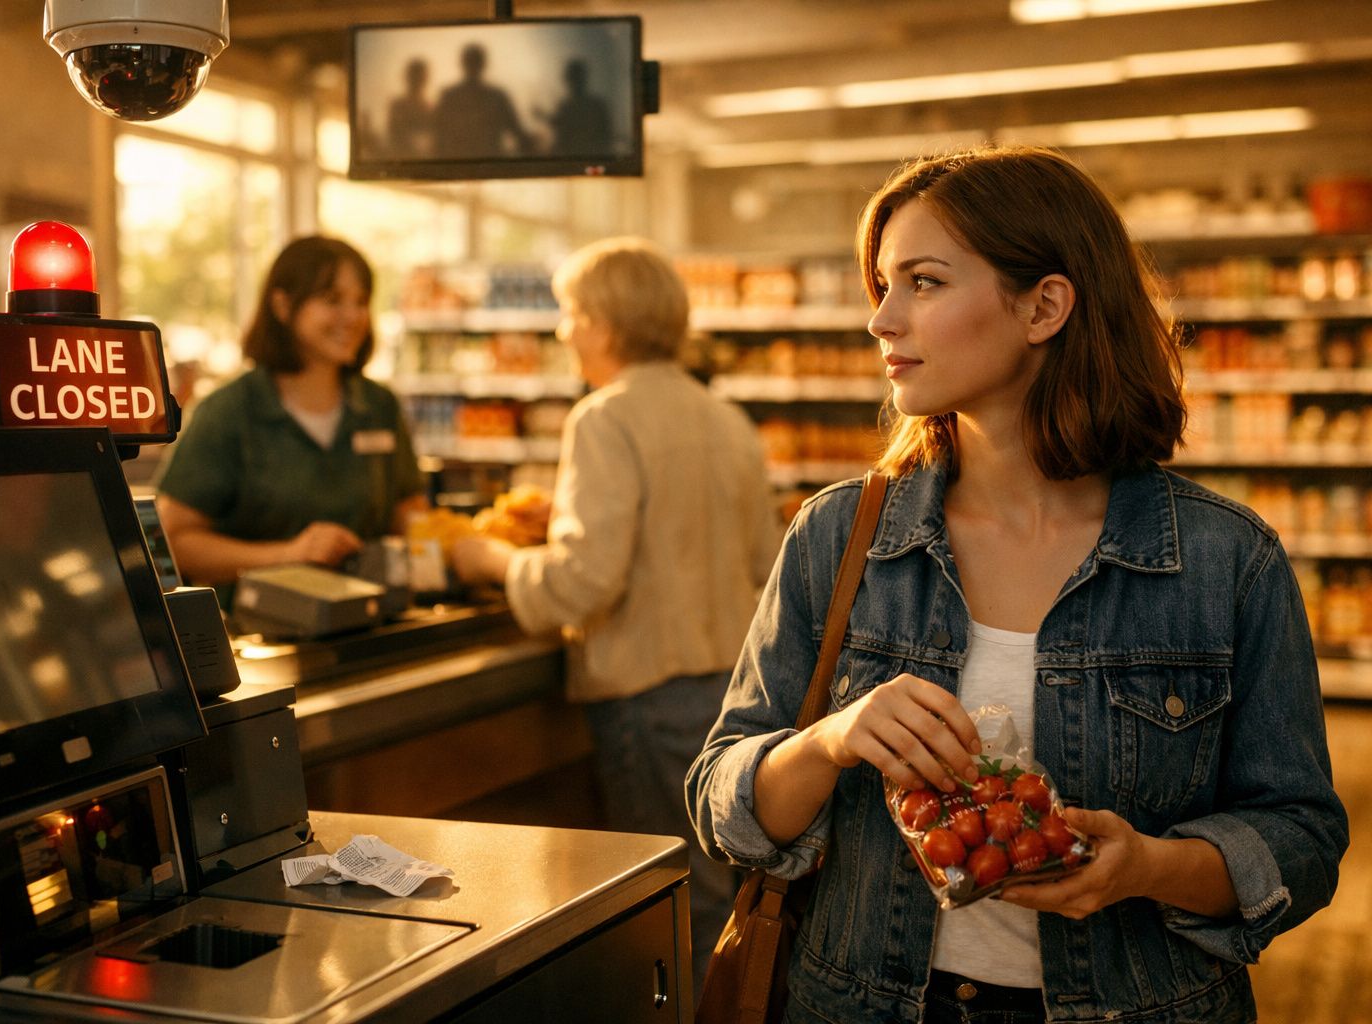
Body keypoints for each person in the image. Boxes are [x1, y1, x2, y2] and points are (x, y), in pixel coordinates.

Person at [686, 144, 1348, 1023]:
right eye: (880, 285)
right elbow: (720, 800)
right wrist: (830, 740)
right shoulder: (839, 537)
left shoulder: (1227, 562)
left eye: (922, 282)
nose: (881, 320)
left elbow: (1300, 838)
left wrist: (1147, 867)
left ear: (1044, 306)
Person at [449, 237, 783, 998]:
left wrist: (491, 561)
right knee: (727, 904)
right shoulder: (726, 419)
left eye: (571, 314)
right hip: (733, 697)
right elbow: (767, 567)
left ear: (602, 322)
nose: (564, 332)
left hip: (647, 700)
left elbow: (582, 583)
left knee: (670, 907)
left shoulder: (604, 418)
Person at [154, 236, 425, 605]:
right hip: (256, 639)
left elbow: (410, 516)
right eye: (333, 300)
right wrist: (288, 555)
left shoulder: (380, 406)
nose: (354, 317)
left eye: (361, 301)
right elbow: (172, 540)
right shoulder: (228, 412)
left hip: (373, 626)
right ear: (282, 305)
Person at [431, 43, 535, 158]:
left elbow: (437, 137)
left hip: (463, 165)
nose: (473, 66)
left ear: (462, 64)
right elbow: (518, 134)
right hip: (488, 165)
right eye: (472, 62)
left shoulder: (449, 96)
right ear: (484, 64)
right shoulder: (497, 97)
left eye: (473, 62)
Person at [536, 58, 613, 156]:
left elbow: (606, 136)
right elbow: (559, 124)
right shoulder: (569, 105)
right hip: (573, 158)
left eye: (572, 78)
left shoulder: (595, 105)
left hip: (586, 157)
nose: (570, 83)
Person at [385, 58, 434, 159]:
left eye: (421, 78)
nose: (419, 82)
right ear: (409, 78)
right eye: (416, 78)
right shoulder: (398, 106)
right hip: (402, 159)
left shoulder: (429, 106)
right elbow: (394, 137)